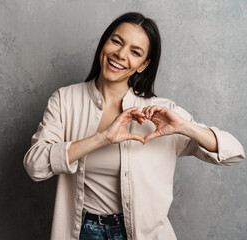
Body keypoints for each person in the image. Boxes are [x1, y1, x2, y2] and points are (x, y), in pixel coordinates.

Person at [23, 12, 245, 240]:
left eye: (135, 52)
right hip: (82, 231)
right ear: (104, 43)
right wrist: (101, 138)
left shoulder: (161, 111)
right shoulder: (65, 100)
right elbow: (35, 166)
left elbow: (235, 154)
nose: (120, 54)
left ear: (143, 65)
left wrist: (186, 127)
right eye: (117, 41)